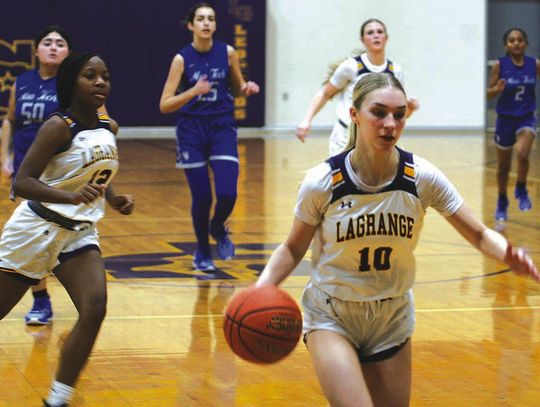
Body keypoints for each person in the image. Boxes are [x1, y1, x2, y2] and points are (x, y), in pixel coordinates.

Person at [256, 73, 539, 406]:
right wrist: (262, 289)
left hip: (391, 316)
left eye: (399, 114)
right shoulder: (323, 182)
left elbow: (477, 233)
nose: (390, 123)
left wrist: (507, 254)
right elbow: (292, 248)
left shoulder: (421, 177)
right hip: (332, 313)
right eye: (379, 112)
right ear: (354, 115)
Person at [0, 52, 134, 407]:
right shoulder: (58, 126)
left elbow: (97, 173)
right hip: (35, 229)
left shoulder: (109, 127)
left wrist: (115, 198)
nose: (100, 82)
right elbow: (22, 185)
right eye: (90, 75)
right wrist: (69, 196)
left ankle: (58, 400)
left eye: (105, 75)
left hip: (77, 232)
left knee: (95, 307)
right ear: (71, 82)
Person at [159, 2, 259, 271]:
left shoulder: (227, 53)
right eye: (200, 19)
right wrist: (192, 91)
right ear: (191, 25)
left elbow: (237, 88)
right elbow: (165, 104)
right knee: (202, 197)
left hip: (222, 127)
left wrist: (245, 88)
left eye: (210, 19)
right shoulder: (181, 59)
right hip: (191, 130)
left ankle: (217, 226)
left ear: (215, 25)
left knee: (227, 193)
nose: (206, 23)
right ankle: (202, 251)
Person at [1, 25, 72, 325]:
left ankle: (68, 290)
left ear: (68, 52)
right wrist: (6, 156)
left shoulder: (71, 85)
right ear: (37, 51)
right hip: (26, 173)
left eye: (60, 42)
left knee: (52, 235)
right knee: (32, 236)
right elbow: (10, 120)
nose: (53, 47)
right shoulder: (23, 81)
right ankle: (41, 300)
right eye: (47, 42)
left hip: (59, 172)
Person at [296, 18, 419, 156]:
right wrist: (307, 120)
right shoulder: (350, 66)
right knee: (340, 176)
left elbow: (397, 115)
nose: (376, 35)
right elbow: (325, 93)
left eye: (379, 32)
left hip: (376, 138)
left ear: (386, 38)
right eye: (370, 33)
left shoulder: (395, 71)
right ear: (362, 39)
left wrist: (410, 109)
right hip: (345, 136)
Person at [486, 27, 540, 225]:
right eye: (511, 40)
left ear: (525, 43)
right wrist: (496, 89)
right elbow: (488, 93)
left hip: (526, 117)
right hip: (505, 119)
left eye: (519, 40)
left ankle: (521, 187)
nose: (516, 43)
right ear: (506, 45)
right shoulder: (500, 66)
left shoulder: (534, 64)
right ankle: (502, 200)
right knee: (503, 167)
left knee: (523, 153)